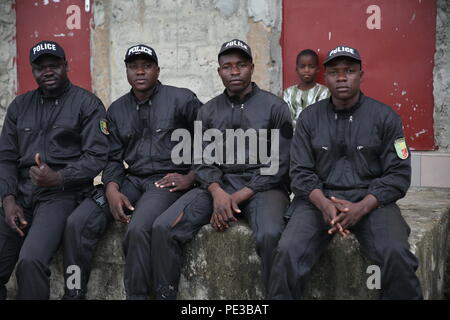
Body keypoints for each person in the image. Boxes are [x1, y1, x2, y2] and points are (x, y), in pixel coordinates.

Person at [268, 45, 423, 300]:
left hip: (372, 202)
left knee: (396, 253)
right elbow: (300, 172)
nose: (341, 77)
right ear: (325, 77)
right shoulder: (308, 119)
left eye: (349, 71)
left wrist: (362, 206)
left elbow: (398, 174)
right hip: (317, 201)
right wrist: (323, 204)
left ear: (361, 75)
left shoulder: (385, 117)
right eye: (334, 72)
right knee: (287, 252)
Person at [151, 39, 293, 299]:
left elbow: (281, 163)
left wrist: (236, 198)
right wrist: (217, 193)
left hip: (263, 186)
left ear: (251, 67)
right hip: (219, 184)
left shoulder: (275, 107)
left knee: (272, 235)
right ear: (219, 72)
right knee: (163, 227)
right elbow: (202, 160)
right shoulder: (208, 111)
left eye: (240, 65)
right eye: (227, 66)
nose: (234, 71)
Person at [62, 44, 202, 300]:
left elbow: (209, 138)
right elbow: (112, 157)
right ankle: (74, 289)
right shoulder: (116, 109)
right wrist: (112, 187)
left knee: (138, 229)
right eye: (133, 67)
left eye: (146, 66)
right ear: (126, 71)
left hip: (165, 181)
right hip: (131, 180)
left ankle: (136, 295)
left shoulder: (182, 99)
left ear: (157, 70)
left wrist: (192, 176)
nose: (140, 72)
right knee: (77, 222)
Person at [0, 40, 109, 300]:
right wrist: (8, 200)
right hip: (21, 196)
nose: (47, 71)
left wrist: (58, 177)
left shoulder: (88, 104)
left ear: (66, 66)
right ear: (32, 71)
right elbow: (5, 158)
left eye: (54, 65)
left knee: (30, 261)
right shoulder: (19, 106)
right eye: (40, 67)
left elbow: (97, 156)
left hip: (62, 195)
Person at [283, 49, 329, 126]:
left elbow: (322, 117)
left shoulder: (323, 92)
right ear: (297, 69)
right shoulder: (288, 92)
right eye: (302, 67)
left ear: (318, 69)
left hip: (315, 135)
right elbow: (286, 117)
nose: (307, 70)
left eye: (311, 67)